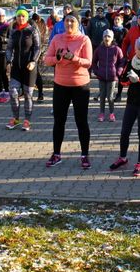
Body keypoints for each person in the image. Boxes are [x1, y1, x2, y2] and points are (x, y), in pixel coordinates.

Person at [44, 11, 93, 169]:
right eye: (67, 21)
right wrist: (57, 59)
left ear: (78, 23)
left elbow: (88, 62)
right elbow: (47, 60)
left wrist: (74, 58)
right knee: (59, 121)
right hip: (61, 85)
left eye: (72, 21)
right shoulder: (57, 39)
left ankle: (84, 155)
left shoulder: (84, 40)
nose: (69, 24)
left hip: (80, 86)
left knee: (81, 122)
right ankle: (56, 154)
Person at [109, 37, 140, 176]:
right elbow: (123, 81)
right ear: (135, 50)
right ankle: (123, 158)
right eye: (139, 49)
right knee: (125, 132)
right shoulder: (131, 62)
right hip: (131, 101)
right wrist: (129, 80)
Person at [5, 9, 41, 131]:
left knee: (28, 94)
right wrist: (9, 61)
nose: (21, 18)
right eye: (19, 16)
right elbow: (9, 48)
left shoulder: (32, 30)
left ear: (26, 18)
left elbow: (37, 47)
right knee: (13, 92)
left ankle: (27, 121)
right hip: (17, 67)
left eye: (23, 16)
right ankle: (15, 119)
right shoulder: (14, 31)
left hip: (29, 67)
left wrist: (33, 61)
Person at [91, 29, 124, 122]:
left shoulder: (117, 49)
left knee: (110, 97)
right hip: (101, 76)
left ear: (112, 38)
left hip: (112, 77)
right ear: (103, 38)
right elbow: (94, 62)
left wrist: (118, 72)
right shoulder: (99, 49)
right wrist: (96, 71)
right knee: (102, 96)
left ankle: (111, 113)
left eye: (109, 36)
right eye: (105, 36)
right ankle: (101, 113)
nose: (107, 38)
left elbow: (121, 62)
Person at [30, 13, 47, 103]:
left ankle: (40, 93)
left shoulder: (35, 27)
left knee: (36, 73)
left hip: (35, 53)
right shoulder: (39, 25)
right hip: (30, 53)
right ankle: (37, 93)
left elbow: (39, 43)